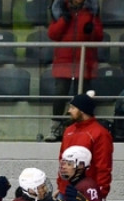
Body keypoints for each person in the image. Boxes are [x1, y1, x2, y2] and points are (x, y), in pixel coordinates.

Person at [44, 0, 103, 142]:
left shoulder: (91, 12)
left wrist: (92, 30)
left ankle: (82, 128)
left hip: (84, 61)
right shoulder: (60, 11)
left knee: (82, 96)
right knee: (60, 94)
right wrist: (64, 20)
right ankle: (56, 127)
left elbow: (99, 36)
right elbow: (53, 34)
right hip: (64, 61)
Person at [58, 92, 113, 199]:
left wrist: (100, 192)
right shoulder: (69, 131)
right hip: (65, 190)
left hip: (86, 192)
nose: (69, 111)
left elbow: (103, 166)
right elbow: (62, 160)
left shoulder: (100, 133)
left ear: (82, 110)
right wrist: (60, 186)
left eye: (73, 108)